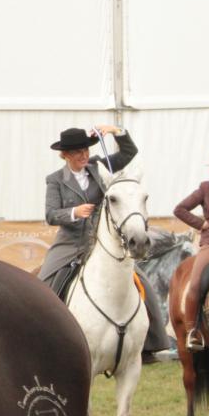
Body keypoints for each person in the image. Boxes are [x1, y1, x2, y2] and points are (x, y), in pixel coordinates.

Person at [38, 125, 169, 354]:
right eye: (77, 152)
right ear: (65, 155)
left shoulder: (99, 166)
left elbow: (129, 153)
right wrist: (73, 213)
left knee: (143, 282)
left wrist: (117, 131)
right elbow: (50, 215)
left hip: (105, 241)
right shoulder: (55, 180)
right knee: (44, 284)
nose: (83, 155)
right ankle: (42, 338)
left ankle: (153, 344)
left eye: (85, 150)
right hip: (71, 243)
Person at [173, 149, 209, 350]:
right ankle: (194, 331)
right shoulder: (206, 188)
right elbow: (179, 209)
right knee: (196, 281)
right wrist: (200, 224)